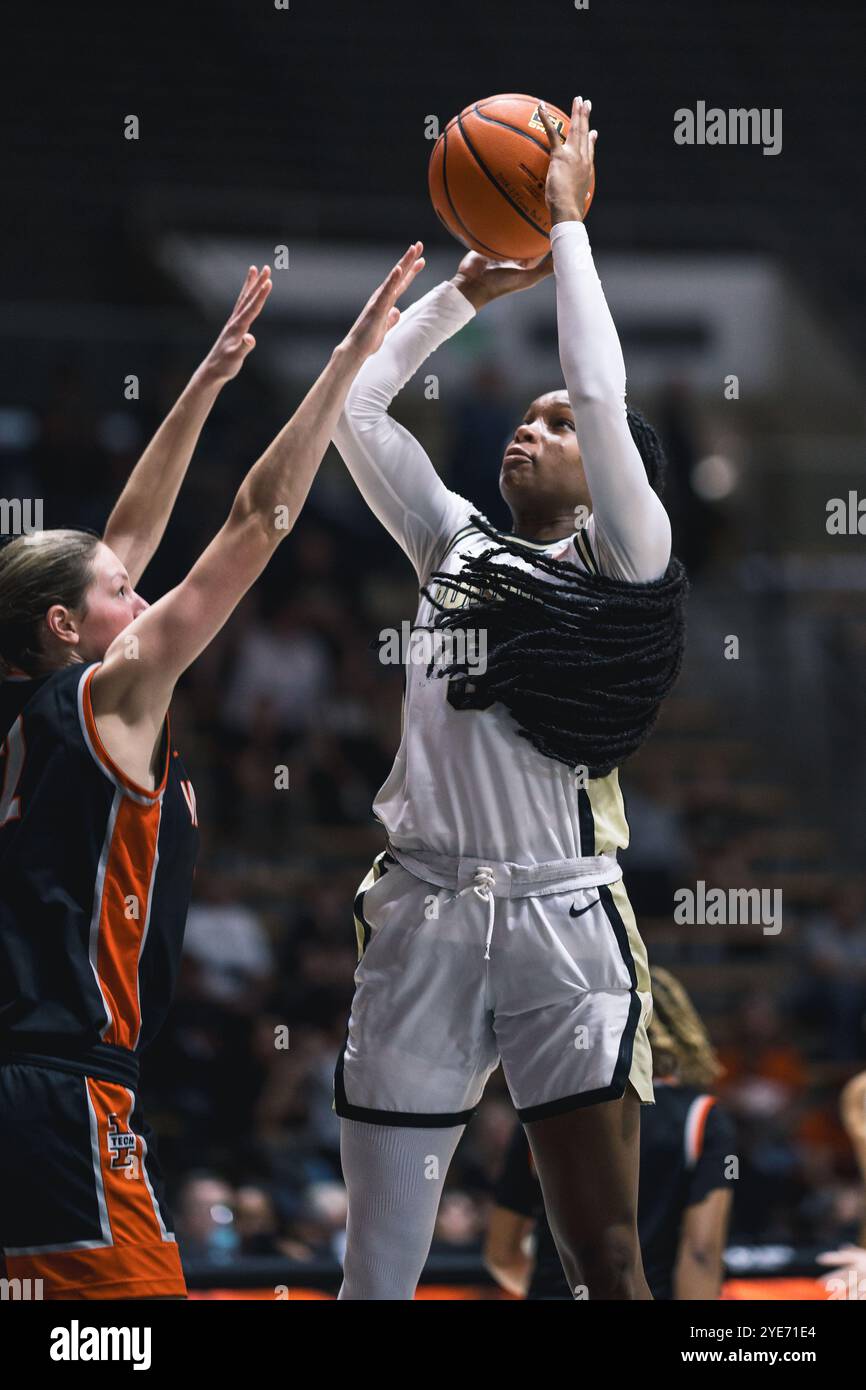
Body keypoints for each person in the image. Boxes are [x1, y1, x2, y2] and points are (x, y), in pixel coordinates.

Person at [0, 244, 424, 1298]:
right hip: (60, 1092)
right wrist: (344, 361)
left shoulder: (34, 702)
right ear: (66, 625)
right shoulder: (112, 692)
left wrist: (205, 380)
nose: (140, 600)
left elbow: (124, 537)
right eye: (117, 593)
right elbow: (255, 521)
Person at [331, 98, 688, 1300]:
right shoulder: (453, 546)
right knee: (377, 1267)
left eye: (552, 425)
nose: (527, 433)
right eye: (520, 419)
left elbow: (598, 389)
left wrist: (567, 227)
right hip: (425, 908)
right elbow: (353, 410)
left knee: (602, 1254)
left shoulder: (623, 555)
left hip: (560, 919)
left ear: (608, 477)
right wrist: (461, 298)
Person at [486, 968, 735, 1299]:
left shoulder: (546, 1108)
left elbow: (501, 1254)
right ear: (676, 1026)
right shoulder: (701, 1118)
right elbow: (700, 1252)